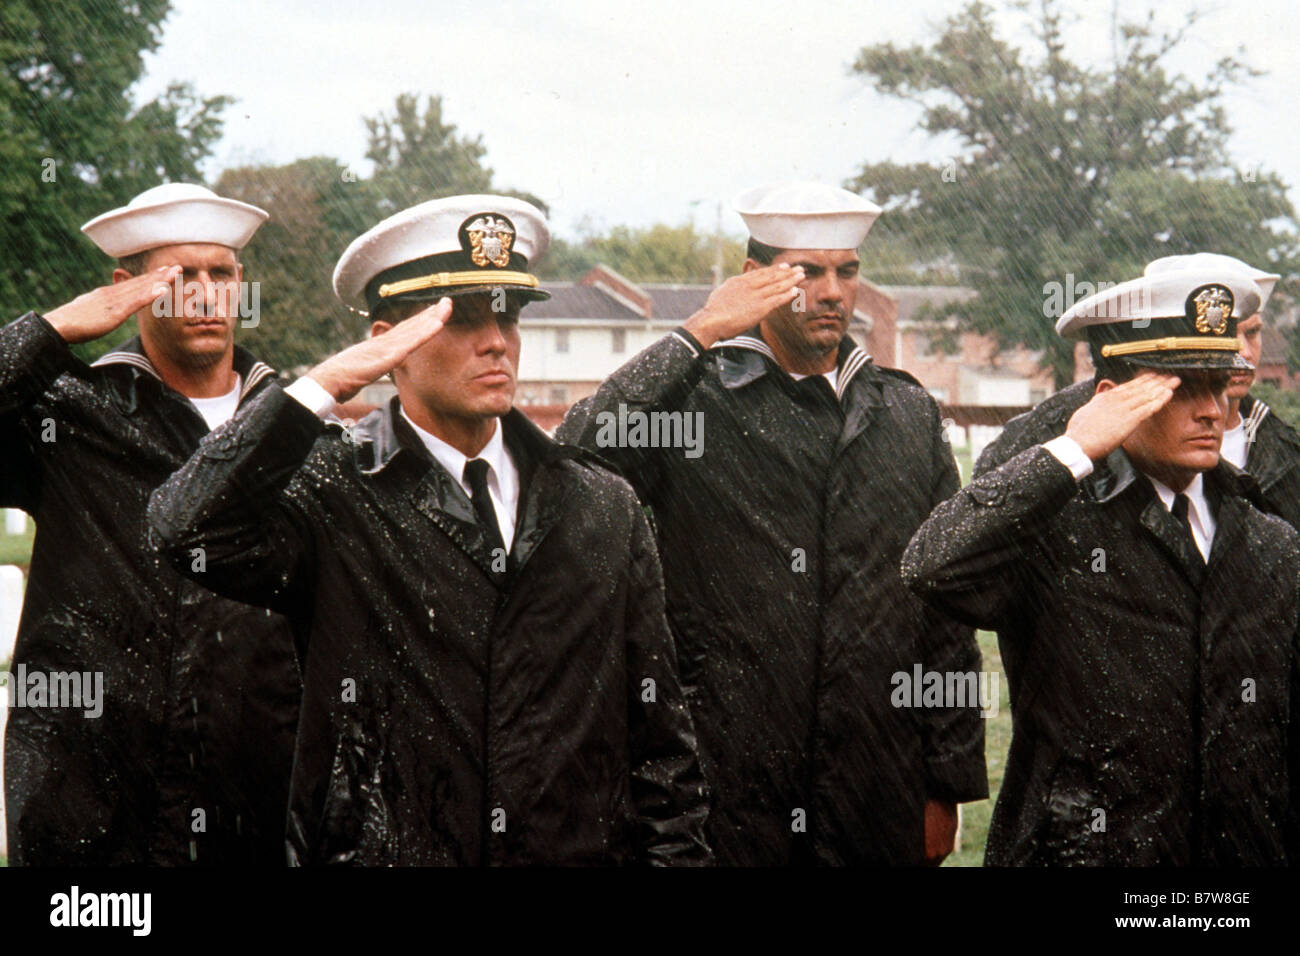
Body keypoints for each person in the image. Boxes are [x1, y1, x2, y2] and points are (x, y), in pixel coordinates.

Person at [147, 194, 711, 866]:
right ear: (391, 343)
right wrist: (320, 386)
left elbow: (663, 758)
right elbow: (183, 527)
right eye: (461, 318)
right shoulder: (336, 494)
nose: (495, 339)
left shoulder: (601, 507)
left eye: (507, 314)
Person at [557, 181, 988, 866]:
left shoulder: (908, 415)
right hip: (728, 786)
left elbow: (945, 612)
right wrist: (696, 333)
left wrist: (947, 784)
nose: (831, 292)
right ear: (753, 279)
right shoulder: (693, 406)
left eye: (846, 271)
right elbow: (572, 466)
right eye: (806, 272)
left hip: (875, 785)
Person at [903, 266, 1300, 865]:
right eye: (1182, 387)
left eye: (1220, 386)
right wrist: (1071, 450)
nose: (1212, 410)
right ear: (1111, 400)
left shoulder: (1271, 544)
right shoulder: (1057, 529)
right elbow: (931, 567)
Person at [2, 183, 300, 865]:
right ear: (123, 288)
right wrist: (50, 332)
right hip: (89, 813)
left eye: (219, 273)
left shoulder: (289, 434)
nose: (202, 293)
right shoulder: (70, 418)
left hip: (251, 810)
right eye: (177, 275)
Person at [977, 254, 1300, 528]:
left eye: (1254, 332)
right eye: (1182, 387)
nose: (1243, 354)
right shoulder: (1051, 432)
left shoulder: (1280, 449)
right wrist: (1071, 452)